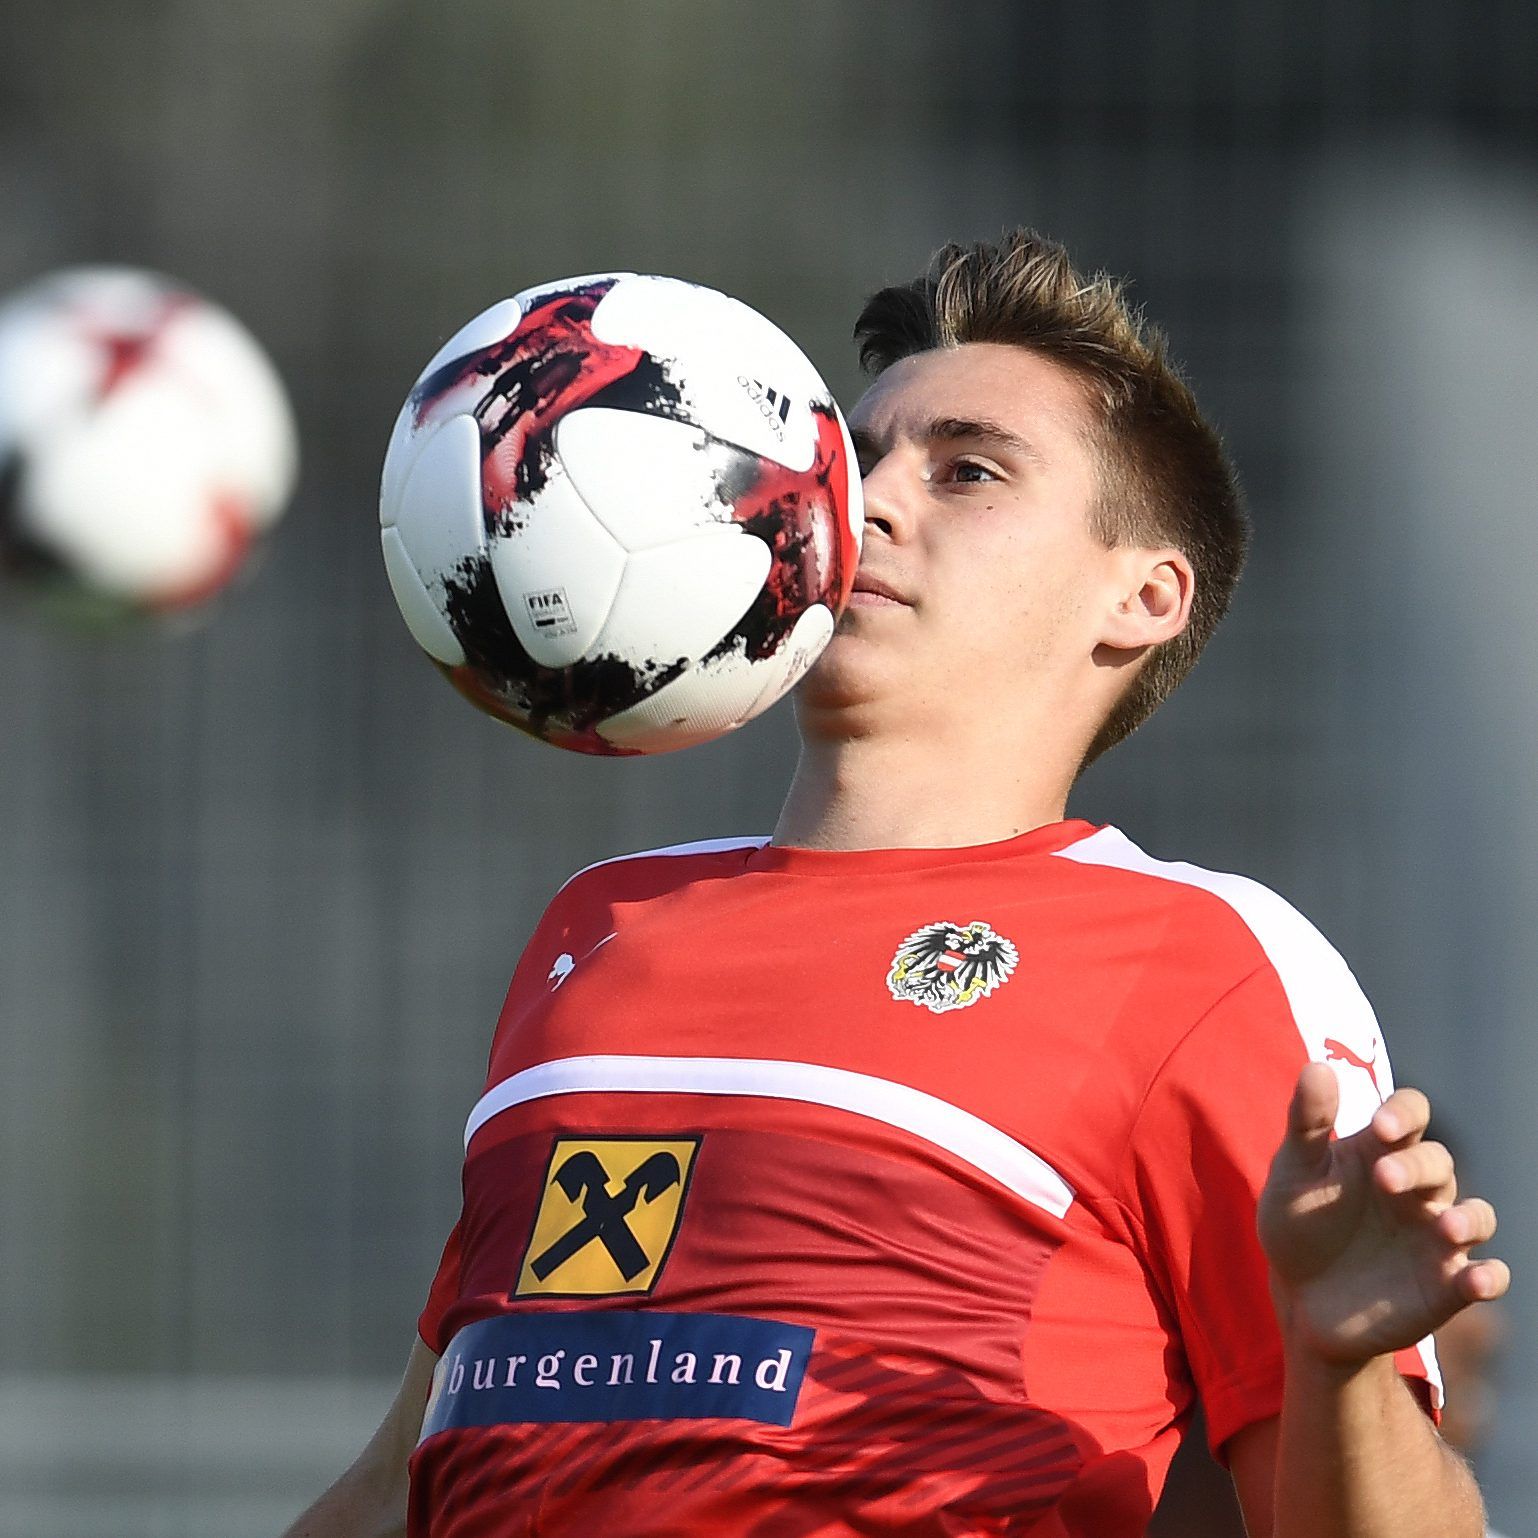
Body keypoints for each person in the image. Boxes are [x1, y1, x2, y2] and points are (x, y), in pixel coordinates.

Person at [283, 230, 1509, 1537]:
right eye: (851, 453)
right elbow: (413, 1469)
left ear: (1140, 596)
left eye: (966, 469)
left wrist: (1330, 1365)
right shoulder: (601, 922)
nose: (855, 501)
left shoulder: (1196, 957)